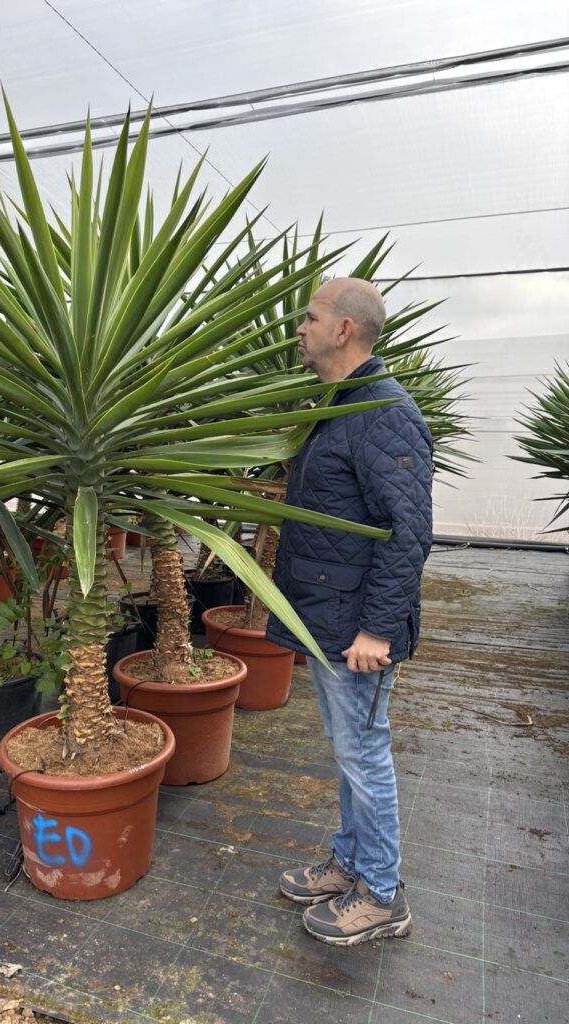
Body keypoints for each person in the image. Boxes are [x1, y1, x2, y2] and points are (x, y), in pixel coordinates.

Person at [266, 277, 433, 946]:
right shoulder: (339, 406)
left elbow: (408, 532)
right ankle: (350, 863)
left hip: (355, 628)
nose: (298, 330)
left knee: (364, 753)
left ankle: (383, 894)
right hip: (326, 616)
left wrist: (377, 630)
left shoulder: (384, 413)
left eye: (309, 318)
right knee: (347, 751)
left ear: (342, 330)